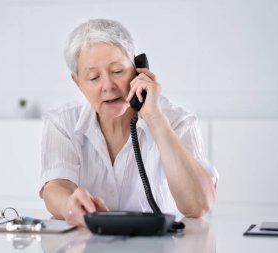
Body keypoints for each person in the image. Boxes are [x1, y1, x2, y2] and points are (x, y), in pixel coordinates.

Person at [39, 19, 218, 227]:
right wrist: (69, 205)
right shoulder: (62, 123)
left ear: (138, 70)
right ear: (78, 83)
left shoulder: (179, 121)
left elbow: (199, 205)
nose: (108, 86)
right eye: (94, 77)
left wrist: (155, 119)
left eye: (117, 71)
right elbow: (56, 187)